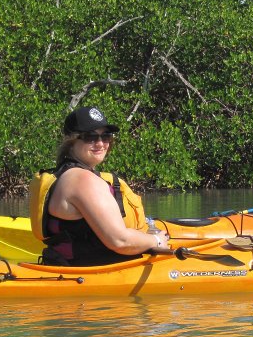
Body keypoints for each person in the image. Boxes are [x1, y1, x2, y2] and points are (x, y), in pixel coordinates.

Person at [34, 106, 169, 266]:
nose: (100, 143)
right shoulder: (83, 180)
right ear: (71, 141)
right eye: (90, 137)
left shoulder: (64, 174)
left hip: (66, 264)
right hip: (90, 273)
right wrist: (156, 240)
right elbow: (120, 241)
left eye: (105, 136)